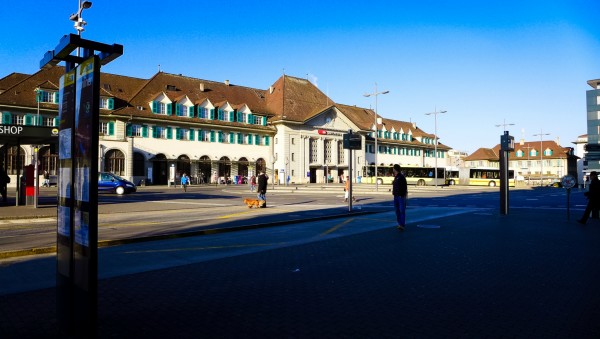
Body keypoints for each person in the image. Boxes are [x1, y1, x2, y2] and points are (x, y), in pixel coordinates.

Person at [392, 164, 408, 231]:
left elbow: (405, 187)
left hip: (401, 197)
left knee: (401, 211)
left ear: (395, 169)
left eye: (393, 168)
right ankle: (399, 223)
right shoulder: (396, 177)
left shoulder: (401, 177)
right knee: (397, 211)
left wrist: (404, 195)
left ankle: (402, 225)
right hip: (396, 196)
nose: (392, 169)